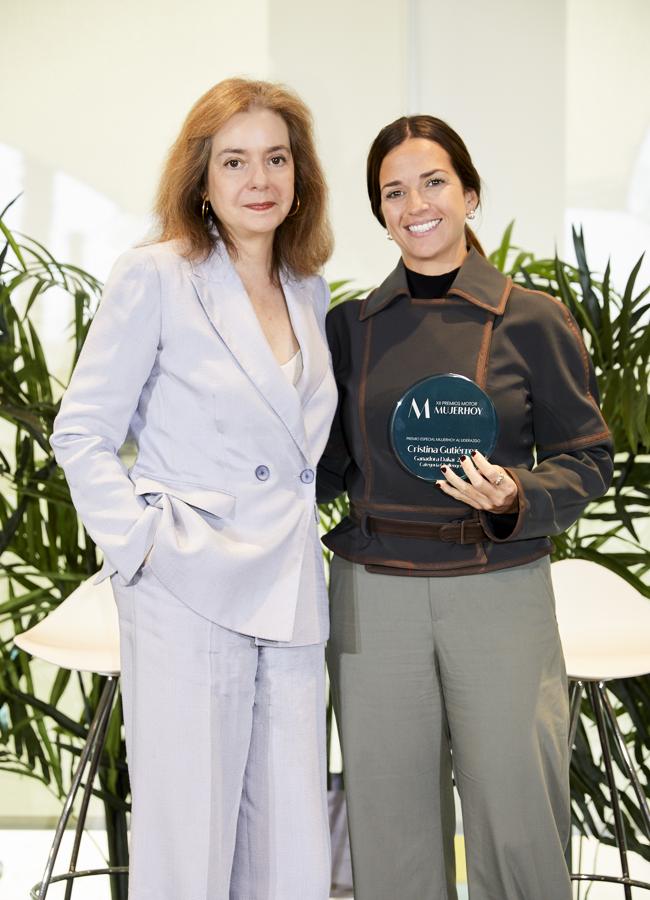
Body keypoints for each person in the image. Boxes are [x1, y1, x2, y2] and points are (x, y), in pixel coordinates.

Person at [51, 77, 337, 900]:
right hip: (187, 583)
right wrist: (142, 545)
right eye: (236, 161)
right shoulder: (158, 275)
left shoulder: (308, 289)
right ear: (202, 179)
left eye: (277, 159)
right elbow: (83, 432)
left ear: (299, 174)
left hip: (289, 589)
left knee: (289, 847)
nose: (260, 181)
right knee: (191, 846)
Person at [317, 115, 614, 900]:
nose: (416, 203)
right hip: (372, 594)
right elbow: (321, 466)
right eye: (394, 191)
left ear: (470, 194)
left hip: (499, 587)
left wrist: (522, 495)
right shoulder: (347, 329)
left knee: (518, 816)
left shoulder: (535, 318)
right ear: (381, 214)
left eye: (434, 181)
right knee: (388, 828)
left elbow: (588, 456)